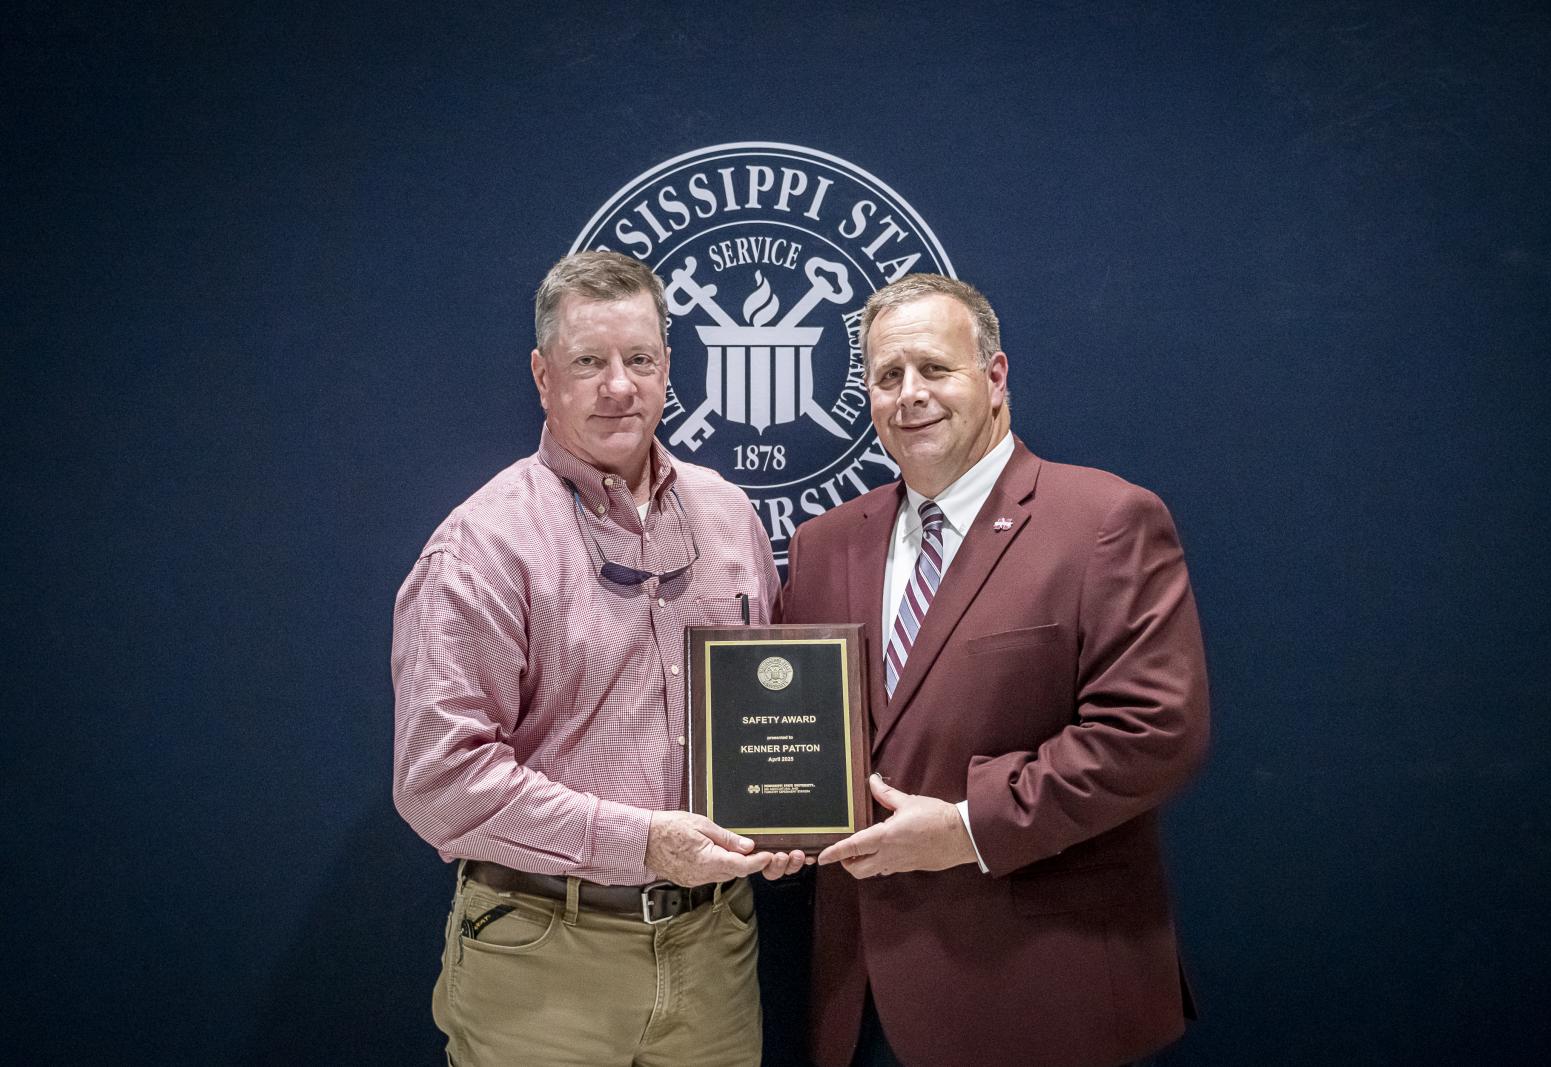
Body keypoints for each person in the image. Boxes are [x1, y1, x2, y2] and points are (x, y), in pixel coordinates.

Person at [779, 274, 1209, 1067]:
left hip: (1040, 995)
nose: (910, 393)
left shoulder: (1105, 520)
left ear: (995, 375)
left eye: (934, 368)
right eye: (887, 375)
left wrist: (968, 827)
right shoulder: (823, 545)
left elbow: (1152, 733)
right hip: (863, 1003)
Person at [392, 251, 806, 1067]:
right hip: (544, 956)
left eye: (640, 359)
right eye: (589, 362)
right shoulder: (483, 544)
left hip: (714, 950)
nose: (619, 386)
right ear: (543, 376)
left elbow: (771, 716)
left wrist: (790, 812)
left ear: (668, 368)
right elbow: (440, 782)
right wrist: (642, 842)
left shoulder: (730, 515)